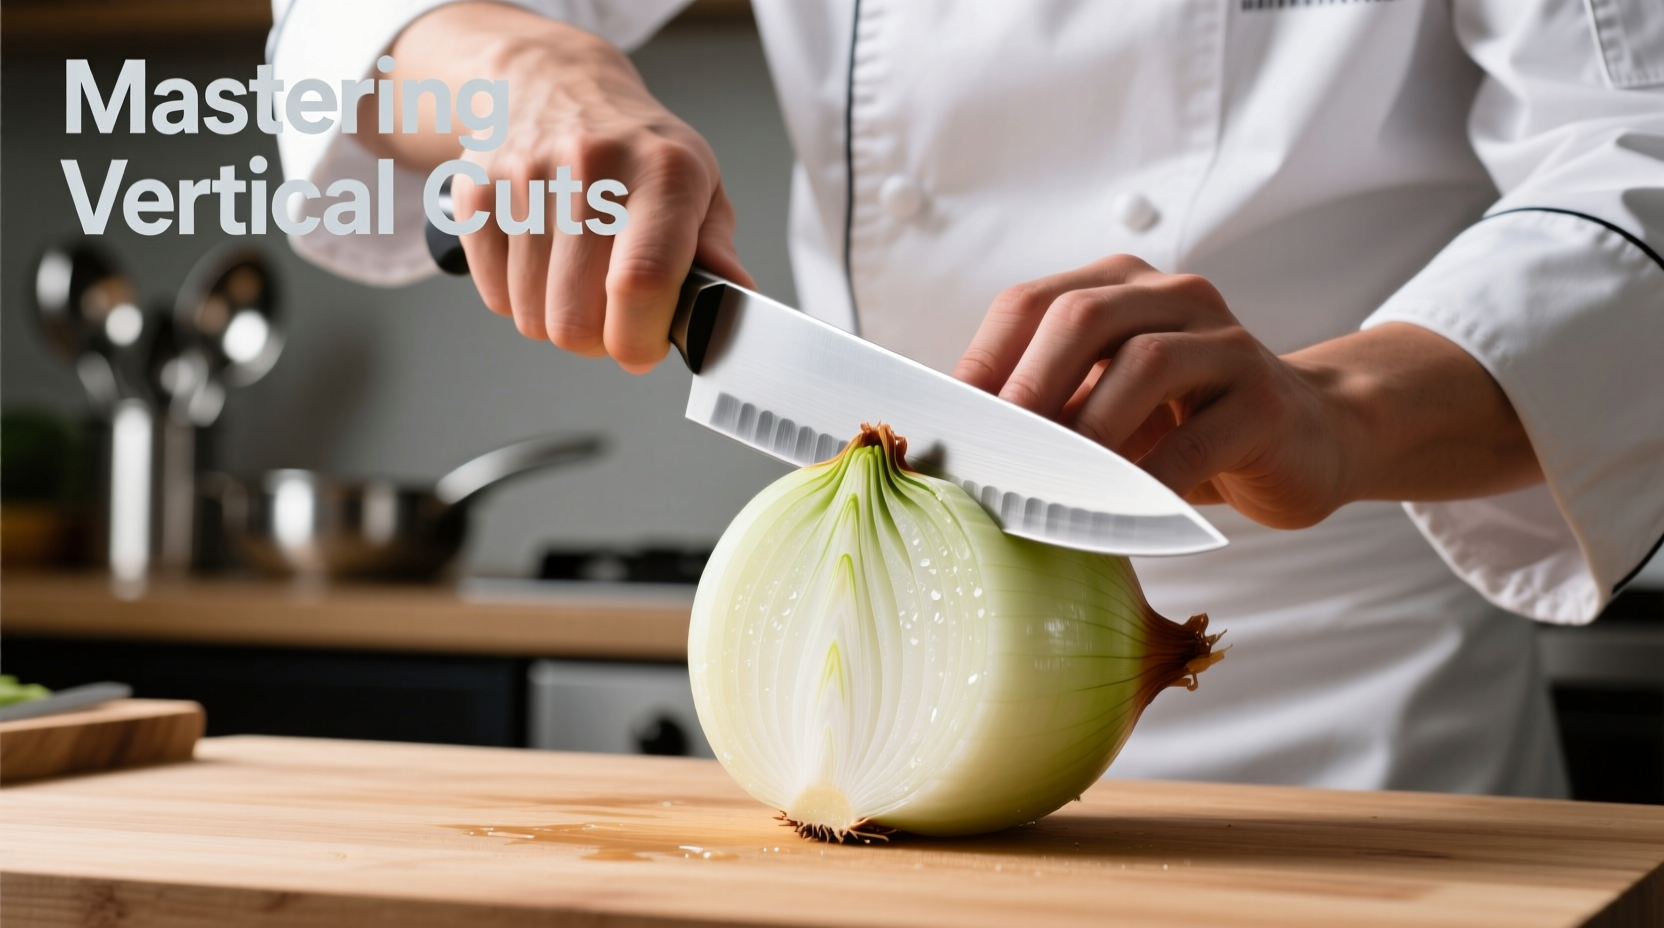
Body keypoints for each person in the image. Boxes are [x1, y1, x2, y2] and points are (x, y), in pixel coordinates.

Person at [270, 0, 1664, 797]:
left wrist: (1339, 411)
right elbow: (360, 27)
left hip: (1351, 748)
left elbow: (1636, 155)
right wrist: (534, 70)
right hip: (864, 714)